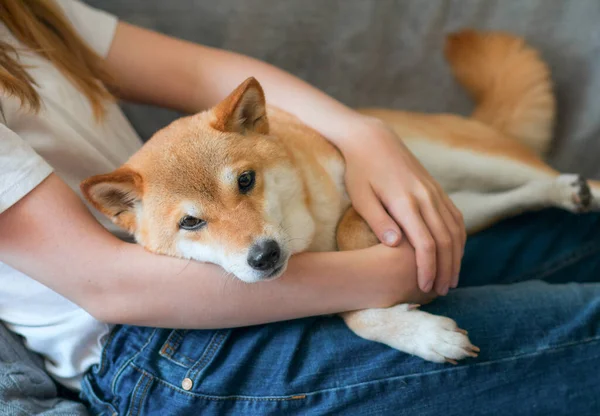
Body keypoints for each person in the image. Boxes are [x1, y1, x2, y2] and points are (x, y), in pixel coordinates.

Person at [0, 1, 598, 415]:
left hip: (297, 260)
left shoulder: (26, 15)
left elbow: (203, 72)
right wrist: (381, 279)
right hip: (158, 346)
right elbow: (109, 287)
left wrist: (364, 135)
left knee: (581, 231)